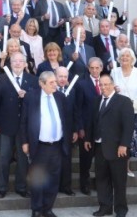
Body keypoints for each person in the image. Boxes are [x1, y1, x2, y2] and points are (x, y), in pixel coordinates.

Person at [20, 71, 75, 217]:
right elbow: (24, 121)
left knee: (54, 178)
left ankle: (47, 208)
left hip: (57, 146)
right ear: (41, 83)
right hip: (39, 146)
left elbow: (66, 118)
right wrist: (25, 141)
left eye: (55, 82)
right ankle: (36, 209)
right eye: (51, 83)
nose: (55, 85)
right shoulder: (31, 97)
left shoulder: (60, 97)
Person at [84, 73, 134, 217]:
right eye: (101, 85)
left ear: (112, 85)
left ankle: (121, 210)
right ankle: (105, 207)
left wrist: (124, 144)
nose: (104, 87)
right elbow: (91, 122)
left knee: (119, 181)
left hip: (118, 148)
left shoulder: (123, 101)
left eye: (106, 84)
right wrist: (88, 138)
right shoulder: (96, 101)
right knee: (101, 180)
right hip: (99, 147)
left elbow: (128, 125)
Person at [0, 52, 36, 198]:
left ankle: (21, 187)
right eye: (14, 61)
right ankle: (2, 187)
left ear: (25, 64)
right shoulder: (2, 79)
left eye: (20, 61)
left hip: (25, 127)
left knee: (23, 159)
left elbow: (36, 103)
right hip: (6, 125)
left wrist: (27, 95)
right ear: (10, 64)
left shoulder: (32, 80)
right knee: (4, 157)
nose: (17, 63)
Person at [110, 48, 137, 176]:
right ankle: (118, 167)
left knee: (130, 139)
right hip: (117, 111)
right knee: (117, 138)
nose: (125, 58)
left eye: (127, 56)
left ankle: (126, 168)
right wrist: (113, 89)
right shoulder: (114, 72)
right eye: (122, 56)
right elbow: (108, 91)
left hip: (134, 111)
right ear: (119, 59)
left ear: (132, 59)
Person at [76, 58, 104, 195]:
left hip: (103, 128)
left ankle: (100, 183)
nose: (94, 70)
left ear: (101, 68)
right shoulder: (82, 84)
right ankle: (84, 184)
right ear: (88, 68)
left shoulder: (107, 83)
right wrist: (80, 128)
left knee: (101, 159)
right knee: (86, 159)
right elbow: (78, 108)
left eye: (97, 68)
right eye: (92, 68)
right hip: (87, 128)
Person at [54, 66, 81, 196]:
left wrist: (75, 130)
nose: (63, 79)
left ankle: (66, 186)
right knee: (53, 160)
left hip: (68, 131)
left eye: (65, 76)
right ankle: (54, 186)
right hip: (52, 133)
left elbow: (75, 111)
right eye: (60, 76)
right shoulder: (50, 91)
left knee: (67, 159)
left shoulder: (72, 91)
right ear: (55, 77)